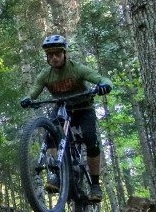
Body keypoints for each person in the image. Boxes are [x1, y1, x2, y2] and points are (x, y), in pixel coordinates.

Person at [20, 34, 112, 202]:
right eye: (50, 55)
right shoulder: (45, 75)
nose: (54, 57)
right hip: (62, 108)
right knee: (50, 137)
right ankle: (55, 175)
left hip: (83, 108)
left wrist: (105, 85)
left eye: (58, 54)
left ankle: (95, 184)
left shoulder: (77, 69)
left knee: (91, 139)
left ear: (64, 54)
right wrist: (28, 99)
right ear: (47, 57)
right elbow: (35, 90)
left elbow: (101, 79)